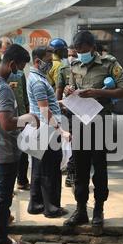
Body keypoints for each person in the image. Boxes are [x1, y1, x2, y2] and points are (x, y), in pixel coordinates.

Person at [63, 30, 123, 227]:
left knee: (99, 168)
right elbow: (71, 87)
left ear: (92, 48)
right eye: (77, 50)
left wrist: (97, 92)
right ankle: (81, 210)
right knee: (79, 168)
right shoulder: (74, 65)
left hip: (101, 122)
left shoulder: (109, 63)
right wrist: (69, 90)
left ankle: (99, 209)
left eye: (83, 50)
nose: (79, 54)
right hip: (79, 121)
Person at [0, 44, 38, 244]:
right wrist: (27, 119)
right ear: (12, 63)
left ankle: (2, 227)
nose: (20, 71)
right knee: (3, 194)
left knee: (1, 193)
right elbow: (7, 123)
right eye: (21, 66)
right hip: (5, 147)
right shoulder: (3, 88)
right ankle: (0, 239)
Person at [26, 46, 70, 218]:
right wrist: (62, 131)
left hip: (39, 128)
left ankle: (35, 204)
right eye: (49, 61)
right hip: (47, 130)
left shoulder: (37, 78)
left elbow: (43, 105)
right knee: (50, 170)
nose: (51, 64)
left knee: (38, 168)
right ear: (38, 61)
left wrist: (60, 102)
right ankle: (51, 208)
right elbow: (45, 112)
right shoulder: (38, 82)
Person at [56, 45, 78, 188]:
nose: (72, 57)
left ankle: (75, 172)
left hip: (85, 111)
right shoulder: (63, 70)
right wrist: (59, 106)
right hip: (69, 111)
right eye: (69, 54)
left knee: (82, 145)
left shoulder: (85, 69)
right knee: (73, 142)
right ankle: (71, 173)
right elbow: (58, 90)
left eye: (74, 55)